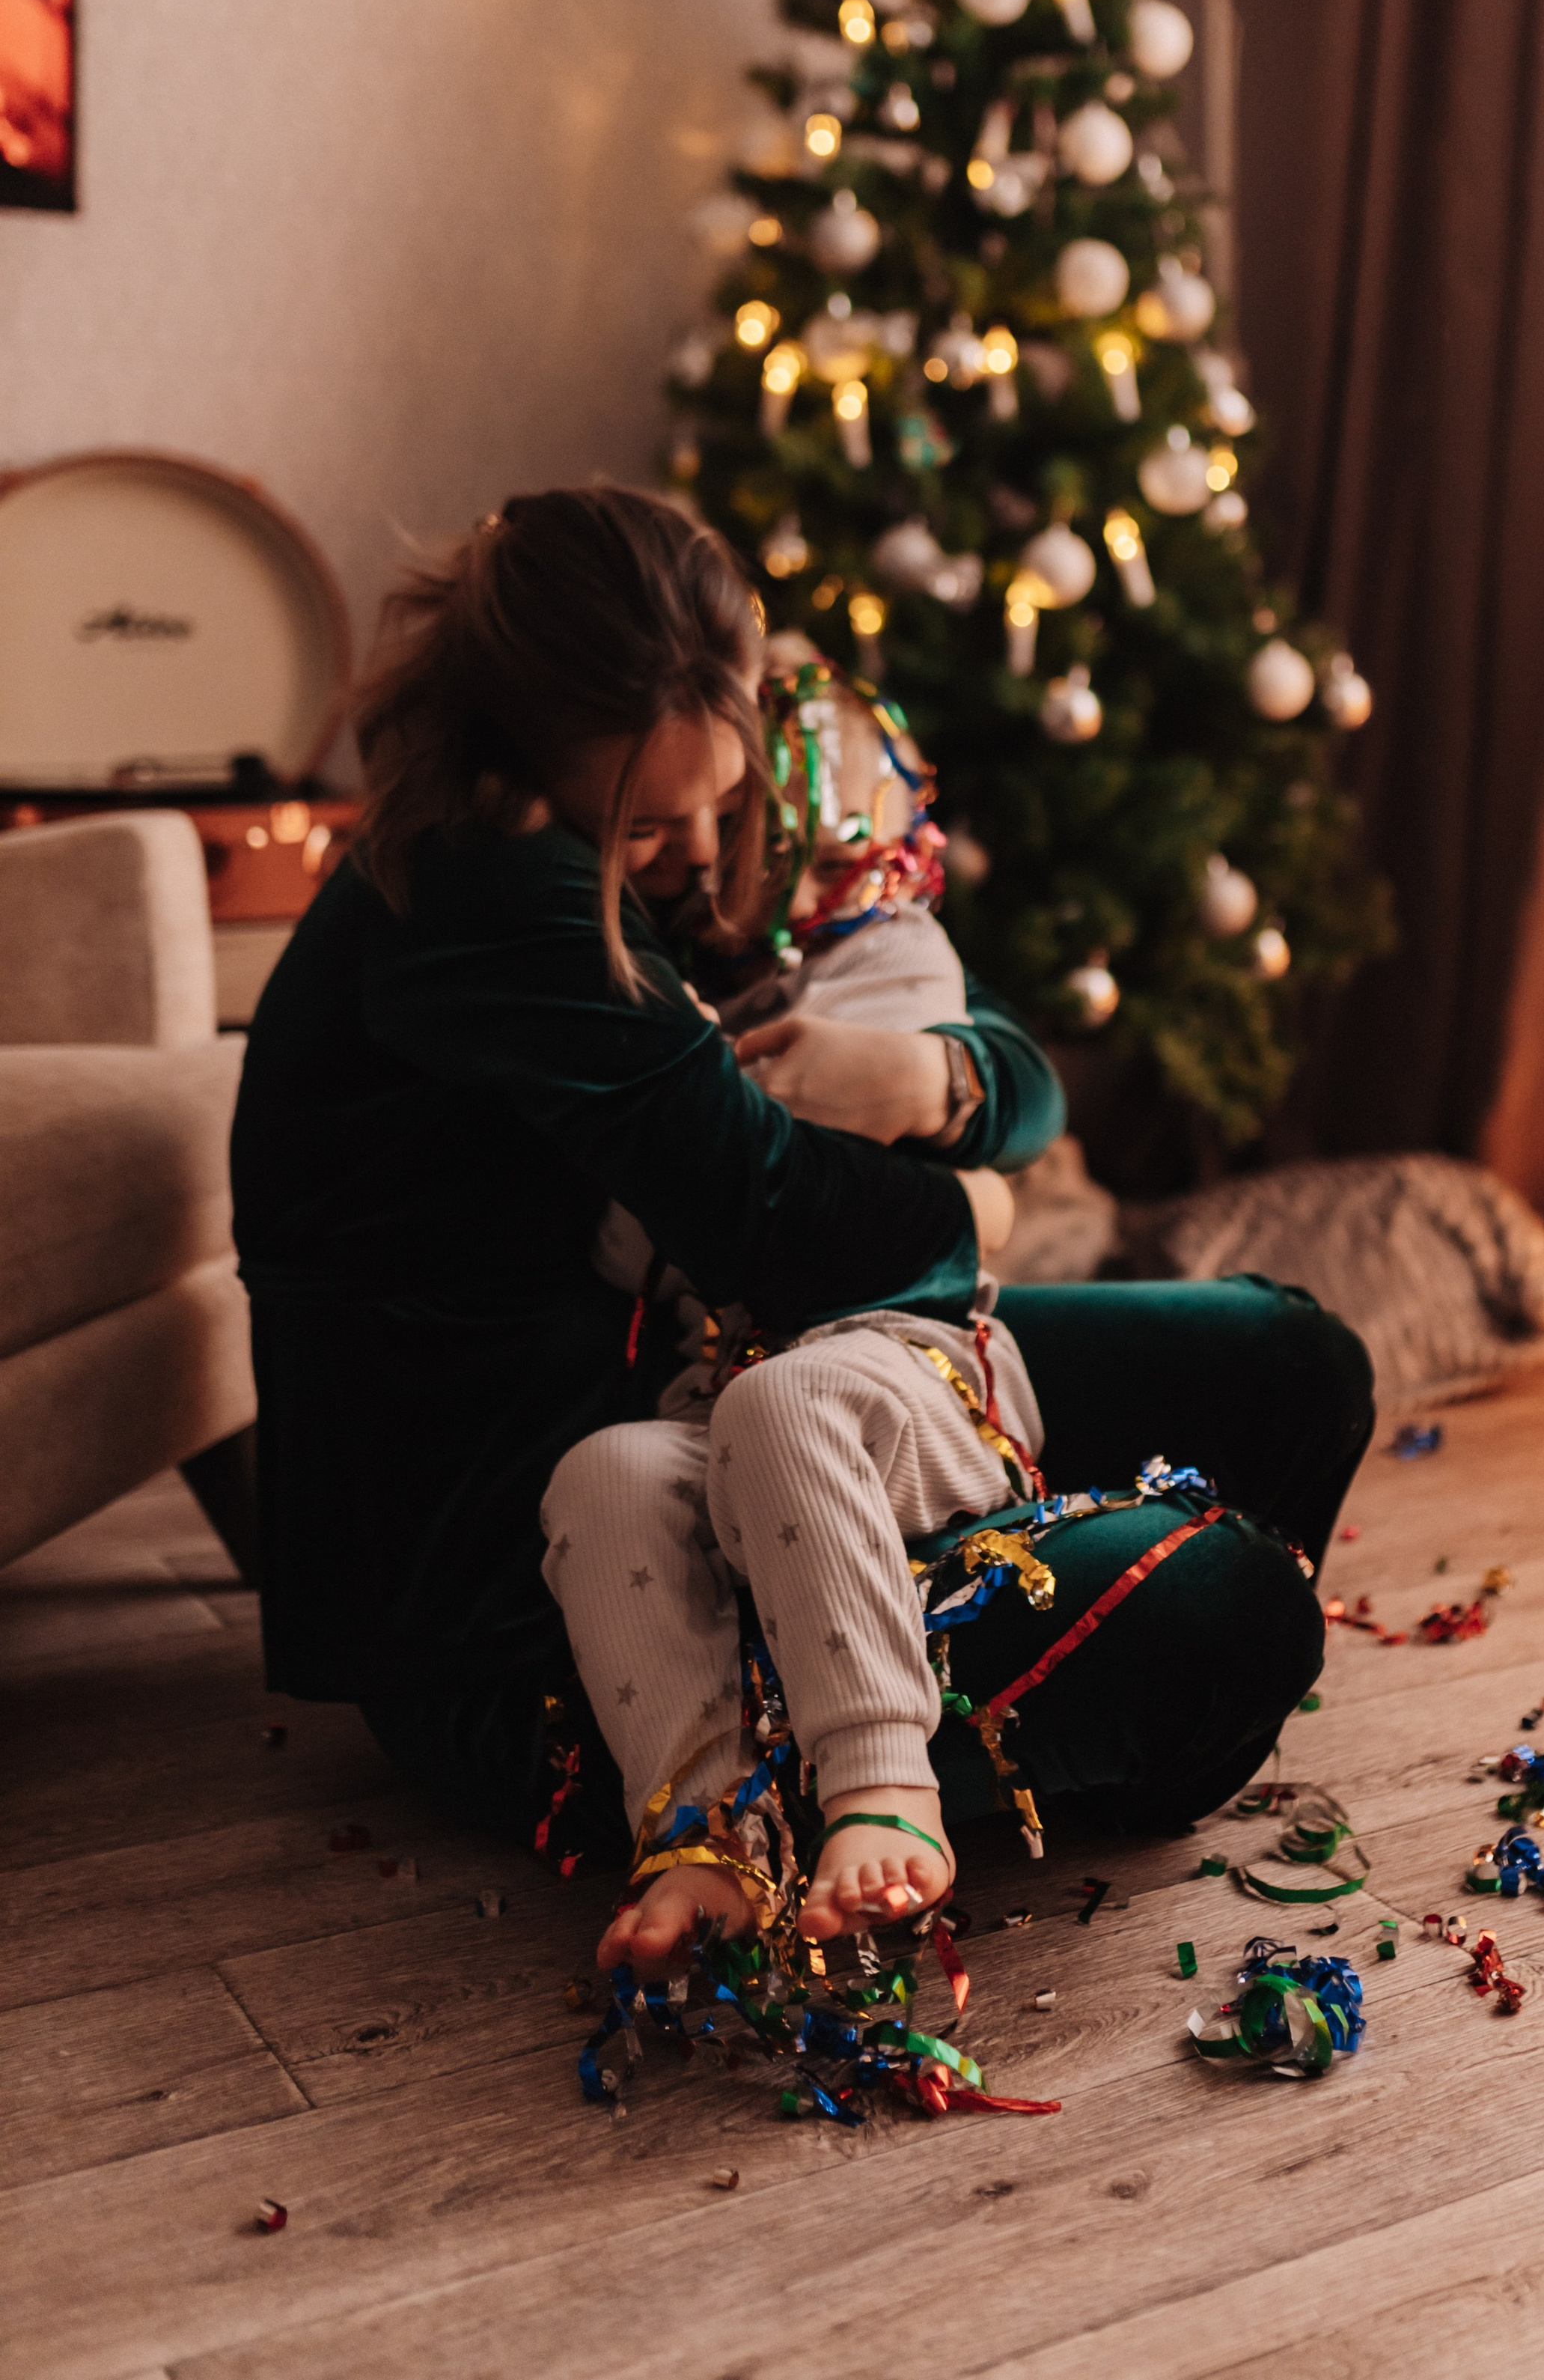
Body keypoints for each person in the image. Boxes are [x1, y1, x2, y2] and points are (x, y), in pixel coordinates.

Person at [231, 487, 1372, 1956]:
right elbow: (781, 1222)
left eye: (723, 805)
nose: (704, 858)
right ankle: (857, 1776)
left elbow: (988, 1047)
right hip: (545, 1608)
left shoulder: (632, 831)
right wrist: (976, 1206)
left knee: (1289, 1357)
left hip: (769, 1384)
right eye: (656, 824)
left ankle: (966, 1673)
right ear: (521, 752)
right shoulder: (495, 882)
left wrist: (932, 1074)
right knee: (1223, 1602)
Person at [553, 639, 1053, 1959]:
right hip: (715, 1401)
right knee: (603, 1473)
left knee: (788, 1400)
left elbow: (989, 1108)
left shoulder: (899, 966)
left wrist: (871, 1090)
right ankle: (704, 1830)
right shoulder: (648, 984)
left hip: (908, 1379)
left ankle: (884, 1776)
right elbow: (621, 1243)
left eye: (855, 840)